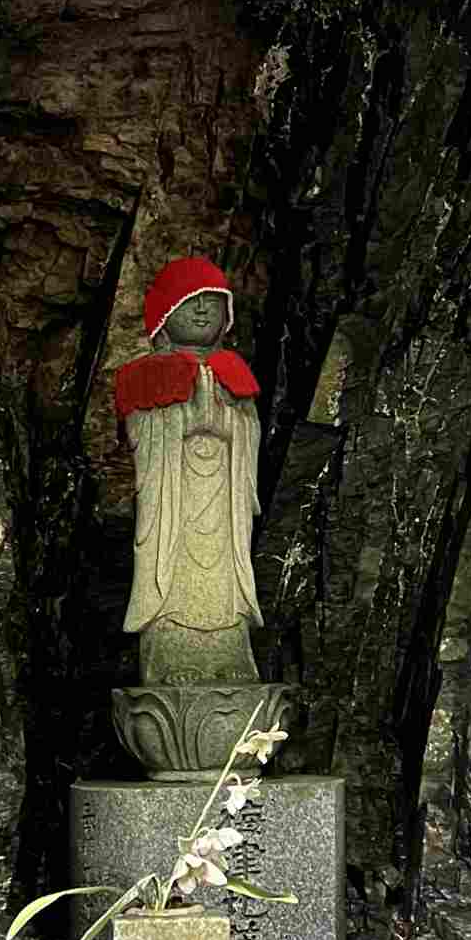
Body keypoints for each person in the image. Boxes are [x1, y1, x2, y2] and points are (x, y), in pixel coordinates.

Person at [115, 257, 264, 686]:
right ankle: (171, 656)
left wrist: (222, 422)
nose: (202, 309)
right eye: (191, 300)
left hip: (224, 502)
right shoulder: (144, 374)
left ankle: (231, 656)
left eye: (213, 302)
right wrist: (187, 418)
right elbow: (142, 434)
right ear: (164, 315)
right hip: (173, 499)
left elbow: (249, 433)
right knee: (172, 573)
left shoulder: (234, 373)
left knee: (226, 579)